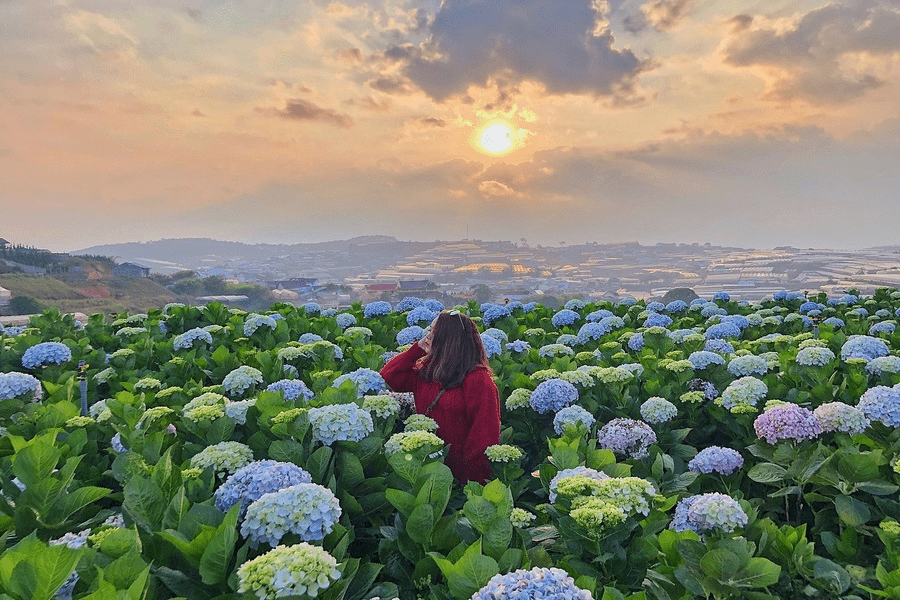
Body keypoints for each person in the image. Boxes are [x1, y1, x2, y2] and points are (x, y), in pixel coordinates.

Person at [381, 310, 500, 484]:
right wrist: (417, 349)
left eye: (434, 332)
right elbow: (389, 376)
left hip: (459, 479)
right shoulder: (427, 371)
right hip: (426, 470)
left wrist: (468, 483)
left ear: (449, 339)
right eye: (429, 331)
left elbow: (484, 438)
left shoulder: (478, 380)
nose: (428, 336)